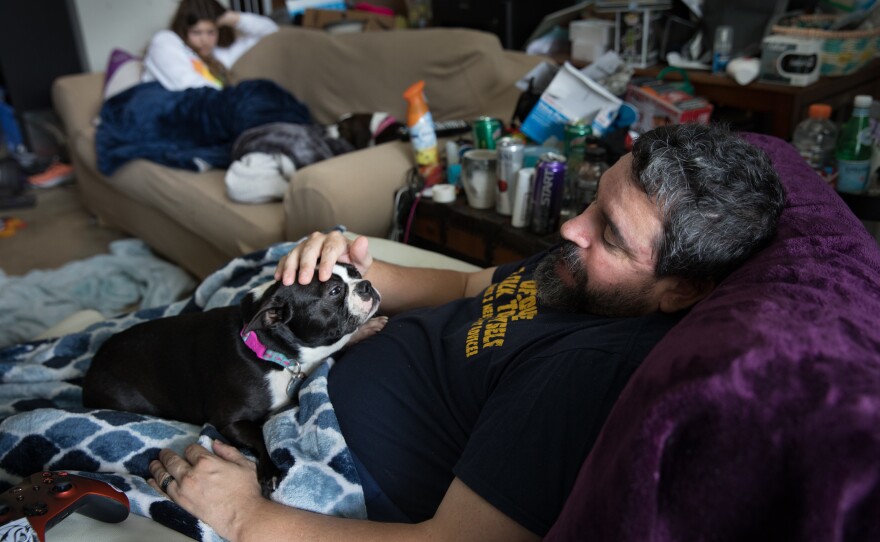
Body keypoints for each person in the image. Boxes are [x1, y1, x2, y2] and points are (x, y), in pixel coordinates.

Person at [147, 123, 786, 541]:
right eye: (594, 199)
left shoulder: (584, 373)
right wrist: (351, 265)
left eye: (609, 234)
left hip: (326, 450)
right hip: (331, 350)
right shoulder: (579, 272)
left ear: (683, 289)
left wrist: (245, 513)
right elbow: (462, 288)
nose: (571, 228)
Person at [141, 0, 278, 91]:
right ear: (183, 30)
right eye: (196, 32)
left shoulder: (223, 54)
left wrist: (231, 17)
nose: (205, 40)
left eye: (211, 32)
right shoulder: (166, 42)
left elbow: (271, 32)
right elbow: (187, 85)